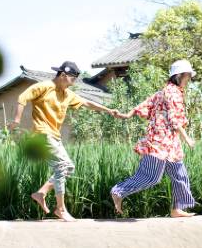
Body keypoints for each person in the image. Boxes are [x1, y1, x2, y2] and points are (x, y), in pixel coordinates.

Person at [8, 61, 120, 222]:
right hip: (42, 133)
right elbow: (22, 97)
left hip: (54, 136)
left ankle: (41, 193)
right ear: (62, 75)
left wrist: (108, 110)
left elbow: (87, 103)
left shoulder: (67, 94)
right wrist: (17, 120)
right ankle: (60, 209)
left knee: (69, 168)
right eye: (72, 79)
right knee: (62, 166)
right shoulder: (44, 86)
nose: (73, 83)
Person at [111, 59, 198, 218]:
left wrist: (125, 115)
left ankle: (176, 209)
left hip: (169, 143)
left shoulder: (162, 92)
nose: (189, 79)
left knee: (180, 175)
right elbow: (174, 118)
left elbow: (142, 105)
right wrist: (187, 138)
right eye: (188, 76)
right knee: (150, 177)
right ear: (179, 76)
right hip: (160, 142)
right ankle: (118, 192)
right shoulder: (173, 93)